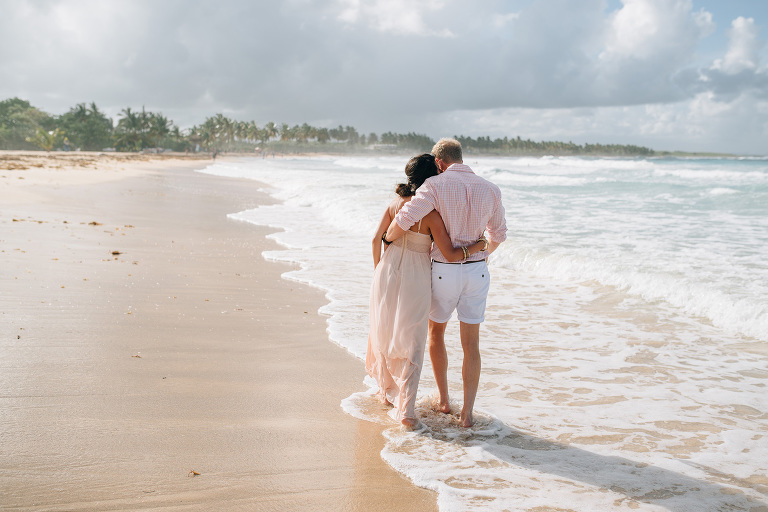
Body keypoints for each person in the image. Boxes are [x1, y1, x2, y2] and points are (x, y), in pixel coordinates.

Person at [385, 138, 507, 427]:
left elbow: (404, 220)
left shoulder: (434, 186)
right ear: (460, 158)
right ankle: (467, 414)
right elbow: (498, 235)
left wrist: (387, 238)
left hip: (443, 270)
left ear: (439, 162)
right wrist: (483, 255)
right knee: (471, 344)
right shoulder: (491, 188)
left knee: (436, 334)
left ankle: (443, 401)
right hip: (477, 272)